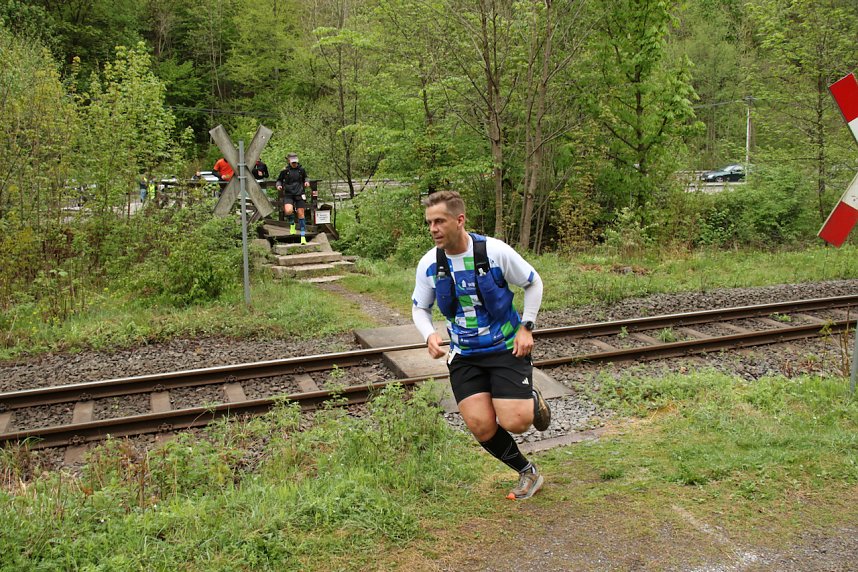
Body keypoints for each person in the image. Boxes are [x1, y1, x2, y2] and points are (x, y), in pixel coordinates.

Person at [411, 190, 550, 500]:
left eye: (439, 221)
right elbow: (420, 307)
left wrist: (527, 327)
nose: (433, 228)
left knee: (517, 422)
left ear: (459, 220)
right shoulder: (430, 264)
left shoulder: (494, 252)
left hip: (505, 347)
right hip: (464, 355)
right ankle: (527, 472)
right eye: (429, 223)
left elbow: (533, 281)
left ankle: (531, 399)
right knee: (480, 425)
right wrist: (428, 335)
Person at [275, 153, 310, 244]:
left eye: (295, 162)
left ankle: (303, 237)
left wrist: (306, 182)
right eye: (293, 162)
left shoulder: (301, 170)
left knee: (301, 214)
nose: (294, 164)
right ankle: (292, 224)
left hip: (299, 193)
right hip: (288, 194)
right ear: (289, 161)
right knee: (288, 211)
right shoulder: (285, 171)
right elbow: (279, 180)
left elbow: (306, 177)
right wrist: (279, 185)